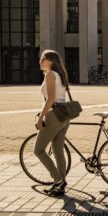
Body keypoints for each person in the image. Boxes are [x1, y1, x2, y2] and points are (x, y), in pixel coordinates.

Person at [33, 50, 72, 197]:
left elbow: (50, 99)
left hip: (54, 115)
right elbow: (57, 98)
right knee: (58, 149)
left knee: (39, 150)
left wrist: (41, 117)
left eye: (43, 59)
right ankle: (60, 185)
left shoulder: (50, 75)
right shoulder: (61, 75)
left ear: (51, 61)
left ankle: (58, 180)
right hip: (64, 114)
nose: (40, 62)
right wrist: (43, 111)